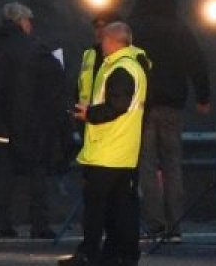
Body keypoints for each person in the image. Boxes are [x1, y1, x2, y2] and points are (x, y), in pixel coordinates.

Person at [59, 21, 149, 266]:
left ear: (111, 41)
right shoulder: (134, 65)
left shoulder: (120, 69)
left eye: (104, 40)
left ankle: (90, 253)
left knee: (97, 208)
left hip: (107, 149)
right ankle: (121, 254)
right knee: (122, 208)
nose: (101, 44)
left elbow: (117, 105)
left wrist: (89, 114)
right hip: (123, 150)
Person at [128, 0, 211, 242]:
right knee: (173, 166)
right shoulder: (179, 29)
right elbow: (196, 62)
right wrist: (203, 97)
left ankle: (155, 224)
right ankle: (175, 225)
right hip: (172, 107)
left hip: (141, 107)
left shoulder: (134, 29)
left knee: (147, 167)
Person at [0, 2, 65, 239]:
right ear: (22, 22)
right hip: (31, 121)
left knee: (3, 172)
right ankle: (39, 224)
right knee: (37, 172)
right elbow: (54, 77)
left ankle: (3, 223)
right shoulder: (35, 48)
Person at [78, 11, 123, 106]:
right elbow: (81, 89)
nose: (100, 31)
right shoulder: (89, 55)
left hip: (112, 118)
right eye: (97, 27)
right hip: (87, 117)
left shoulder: (125, 56)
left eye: (104, 27)